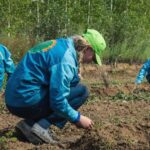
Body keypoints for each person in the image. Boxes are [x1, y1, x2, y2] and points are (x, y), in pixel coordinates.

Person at [5, 29, 106, 144]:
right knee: (82, 91)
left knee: (76, 88)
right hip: (24, 101)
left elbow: (63, 84)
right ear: (88, 49)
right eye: (93, 58)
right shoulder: (66, 60)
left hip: (14, 98)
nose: (91, 61)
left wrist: (75, 75)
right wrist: (77, 118)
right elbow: (58, 101)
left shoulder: (62, 44)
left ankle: (29, 124)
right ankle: (41, 127)